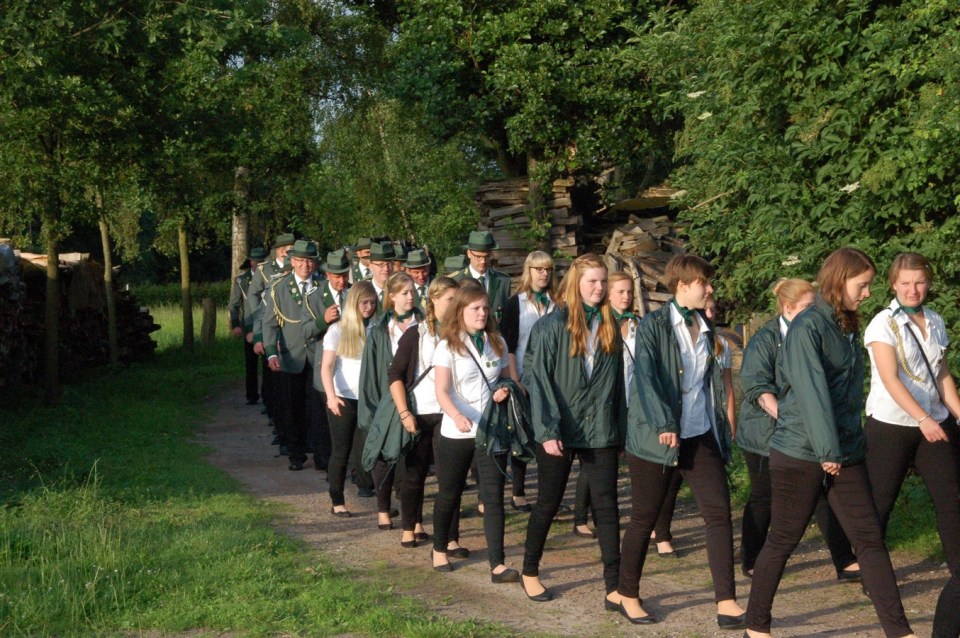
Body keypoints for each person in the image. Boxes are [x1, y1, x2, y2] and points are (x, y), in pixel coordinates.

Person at [745, 247, 918, 638]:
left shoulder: (846, 323)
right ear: (840, 281)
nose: (868, 293)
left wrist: (845, 447)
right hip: (801, 451)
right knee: (783, 539)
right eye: (863, 285)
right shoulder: (807, 327)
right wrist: (827, 452)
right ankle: (756, 627)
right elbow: (812, 393)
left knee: (870, 540)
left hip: (844, 450)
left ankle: (900, 632)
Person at [617, 254, 744, 628]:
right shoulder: (653, 326)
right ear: (683, 285)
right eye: (705, 282)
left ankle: (727, 602)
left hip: (698, 432)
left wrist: (720, 424)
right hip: (656, 437)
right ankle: (627, 594)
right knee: (644, 517)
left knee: (718, 513)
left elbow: (709, 382)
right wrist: (663, 422)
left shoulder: (705, 323)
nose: (710, 288)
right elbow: (646, 377)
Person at [863, 252, 960, 638]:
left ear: (928, 282)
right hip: (892, 425)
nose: (913, 289)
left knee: (951, 498)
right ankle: (872, 575)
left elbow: (942, 374)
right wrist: (921, 418)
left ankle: (958, 570)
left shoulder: (934, 320)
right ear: (893, 284)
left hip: (932, 422)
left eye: (919, 282)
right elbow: (890, 378)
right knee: (880, 504)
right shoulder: (882, 323)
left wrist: (957, 412)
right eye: (905, 283)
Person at [520, 254, 625, 606]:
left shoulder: (611, 325)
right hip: (559, 429)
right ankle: (530, 571)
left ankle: (615, 587)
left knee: (607, 507)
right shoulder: (550, 327)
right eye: (592, 281)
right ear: (575, 284)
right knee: (548, 502)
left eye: (603, 281)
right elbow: (538, 381)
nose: (599, 288)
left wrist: (620, 429)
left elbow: (618, 384)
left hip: (600, 429)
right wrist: (548, 430)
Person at [737, 278, 860, 579]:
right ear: (788, 308)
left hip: (806, 432)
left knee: (822, 492)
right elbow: (757, 387)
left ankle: (844, 559)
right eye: (807, 306)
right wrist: (788, 418)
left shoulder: (814, 333)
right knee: (763, 496)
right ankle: (751, 558)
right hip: (763, 432)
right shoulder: (765, 340)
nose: (813, 311)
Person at [431, 283, 517, 583]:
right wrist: (456, 415)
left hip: (490, 431)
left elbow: (505, 379)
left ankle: (498, 564)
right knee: (449, 493)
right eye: (475, 308)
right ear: (461, 311)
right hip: (457, 432)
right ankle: (439, 548)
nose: (482, 313)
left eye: (485, 308)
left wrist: (504, 391)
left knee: (493, 498)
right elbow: (442, 390)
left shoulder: (498, 342)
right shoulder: (447, 346)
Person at [387, 276, 459, 548]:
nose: (455, 304)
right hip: (420, 412)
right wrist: (405, 413)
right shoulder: (416, 334)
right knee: (415, 474)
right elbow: (395, 375)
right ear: (434, 300)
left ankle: (450, 537)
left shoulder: (461, 333)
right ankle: (409, 527)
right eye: (450, 299)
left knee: (449, 478)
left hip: (451, 413)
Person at [571, 270, 634, 540]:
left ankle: (602, 517)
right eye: (620, 291)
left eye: (629, 292)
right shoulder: (599, 323)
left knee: (608, 468)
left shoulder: (636, 324)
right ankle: (581, 517)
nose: (626, 297)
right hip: (601, 400)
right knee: (592, 464)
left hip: (628, 395)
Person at [358, 271, 421, 530]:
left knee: (414, 461)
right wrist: (373, 411)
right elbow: (371, 373)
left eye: (413, 292)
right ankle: (383, 509)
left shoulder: (425, 324)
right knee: (384, 457)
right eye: (404, 293)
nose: (410, 297)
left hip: (417, 398)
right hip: (387, 400)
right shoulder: (380, 330)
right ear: (392, 296)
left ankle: (414, 518)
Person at [262, 240, 327, 472]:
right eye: (300, 260)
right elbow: (269, 323)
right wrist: (271, 352)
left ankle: (321, 455)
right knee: (292, 406)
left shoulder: (323, 285)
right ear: (292, 261)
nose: (305, 265)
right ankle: (295, 453)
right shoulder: (279, 287)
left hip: (319, 355)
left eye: (309, 261)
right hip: (291, 355)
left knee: (319, 408)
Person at [501, 250, 557, 513]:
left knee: (550, 434)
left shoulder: (557, 302)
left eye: (548, 269)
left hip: (553, 379)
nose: (544, 274)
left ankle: (548, 494)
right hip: (524, 376)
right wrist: (515, 380)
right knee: (522, 435)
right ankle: (518, 492)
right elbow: (509, 345)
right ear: (529, 271)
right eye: (539, 269)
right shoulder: (516, 303)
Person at [320, 281, 378, 517]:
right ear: (354, 303)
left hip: (368, 399)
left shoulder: (376, 328)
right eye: (364, 303)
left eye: (373, 303)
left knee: (367, 448)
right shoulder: (337, 330)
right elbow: (326, 367)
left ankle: (370, 489)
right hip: (343, 398)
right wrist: (331, 397)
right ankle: (337, 500)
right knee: (341, 451)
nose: (369, 307)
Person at [229, 246, 267, 405]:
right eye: (256, 262)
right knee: (251, 362)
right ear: (251, 262)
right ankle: (251, 395)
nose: (259, 265)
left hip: (268, 324)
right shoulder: (242, 280)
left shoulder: (271, 277)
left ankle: (268, 398)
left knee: (268, 363)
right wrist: (236, 325)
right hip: (249, 324)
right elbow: (233, 304)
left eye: (262, 262)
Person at [452, 230, 511, 325]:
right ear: (469, 253)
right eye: (478, 257)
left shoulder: (503, 281)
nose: (483, 261)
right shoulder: (456, 281)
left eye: (487, 257)